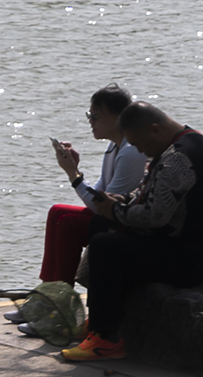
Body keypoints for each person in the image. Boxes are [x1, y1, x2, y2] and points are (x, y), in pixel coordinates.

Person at [61, 102, 203, 362]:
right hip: (170, 243)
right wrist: (121, 201)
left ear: (155, 130)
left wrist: (115, 211)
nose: (140, 151)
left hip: (190, 258)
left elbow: (155, 216)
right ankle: (99, 318)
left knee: (107, 246)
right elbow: (147, 193)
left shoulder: (182, 156)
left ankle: (107, 338)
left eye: (139, 144)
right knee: (99, 225)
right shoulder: (171, 147)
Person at [14, 84, 148, 329]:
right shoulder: (114, 146)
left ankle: (60, 308)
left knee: (67, 224)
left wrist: (73, 174)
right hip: (111, 214)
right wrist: (75, 170)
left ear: (119, 117)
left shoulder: (130, 153)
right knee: (57, 211)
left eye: (95, 116)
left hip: (125, 223)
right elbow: (98, 192)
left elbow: (104, 208)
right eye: (89, 116)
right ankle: (46, 297)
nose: (91, 122)